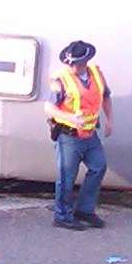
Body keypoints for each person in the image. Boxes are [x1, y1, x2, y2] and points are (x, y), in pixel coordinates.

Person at [47, 39, 113, 230]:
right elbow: (49, 108)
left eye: (75, 63)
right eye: (69, 63)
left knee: (98, 167)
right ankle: (62, 216)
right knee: (66, 177)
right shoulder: (60, 79)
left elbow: (105, 96)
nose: (71, 66)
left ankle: (84, 210)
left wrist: (109, 120)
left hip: (89, 133)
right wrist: (70, 118)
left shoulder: (96, 74)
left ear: (85, 61)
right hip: (67, 135)